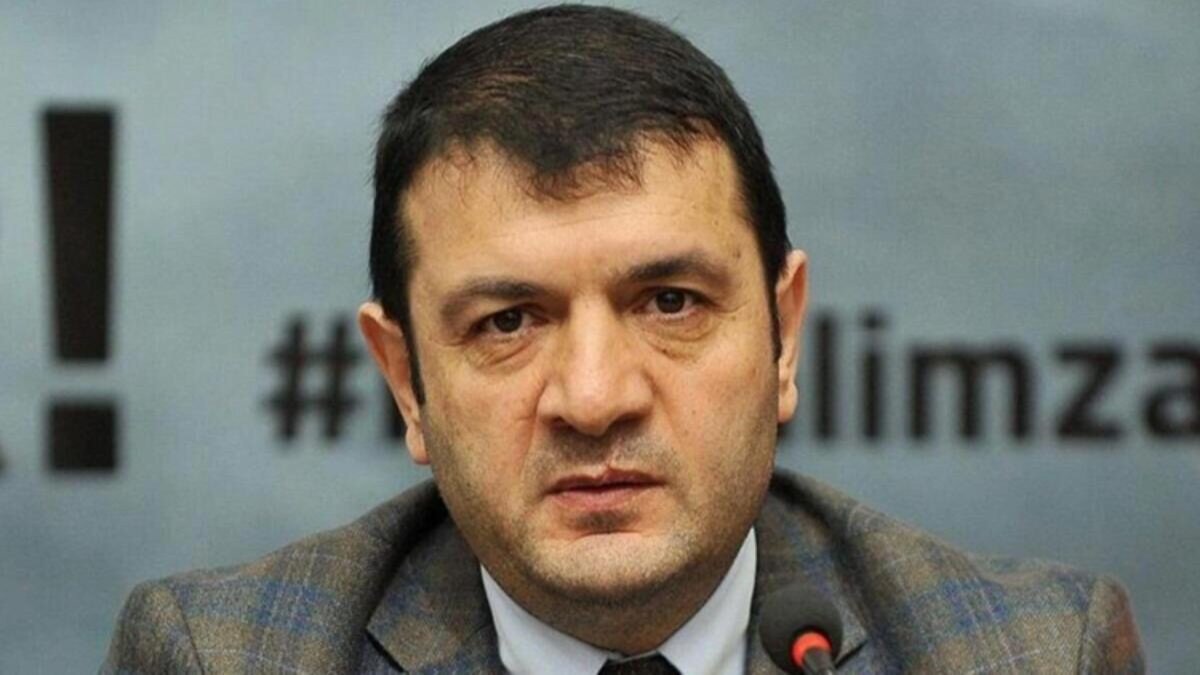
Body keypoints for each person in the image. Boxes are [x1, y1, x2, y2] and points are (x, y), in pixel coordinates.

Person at [102, 5, 1144, 673]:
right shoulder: (228, 658)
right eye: (508, 322)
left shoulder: (1034, 654)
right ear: (407, 381)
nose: (595, 398)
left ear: (784, 335)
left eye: (671, 303)